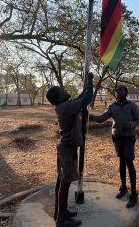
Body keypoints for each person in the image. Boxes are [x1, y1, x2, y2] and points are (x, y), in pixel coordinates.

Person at [46, 72, 93, 227]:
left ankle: (61, 211)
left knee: (61, 180)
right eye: (62, 90)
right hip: (68, 149)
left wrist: (86, 84)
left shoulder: (63, 106)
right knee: (65, 183)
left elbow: (79, 98)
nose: (66, 90)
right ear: (59, 98)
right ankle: (61, 219)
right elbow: (86, 99)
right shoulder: (66, 107)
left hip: (64, 146)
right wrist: (91, 82)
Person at [89, 85, 139, 208]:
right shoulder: (112, 106)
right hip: (117, 137)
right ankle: (123, 188)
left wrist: (129, 124)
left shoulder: (132, 106)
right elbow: (102, 118)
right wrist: (89, 116)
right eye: (116, 91)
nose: (118, 92)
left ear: (126, 92)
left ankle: (134, 194)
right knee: (121, 162)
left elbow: (138, 120)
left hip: (128, 137)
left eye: (121, 90)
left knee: (129, 162)